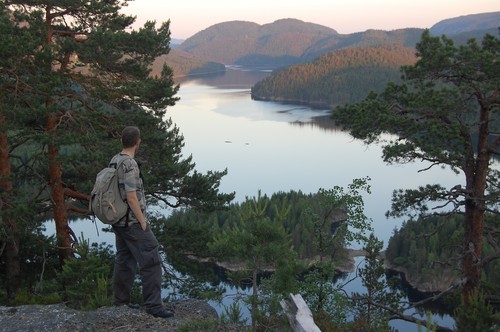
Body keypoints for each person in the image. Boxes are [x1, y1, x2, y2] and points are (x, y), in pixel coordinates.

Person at [110, 126, 173, 318]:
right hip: (132, 222)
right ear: (138, 142)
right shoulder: (130, 164)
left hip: (119, 221)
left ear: (122, 141)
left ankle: (121, 302)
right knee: (151, 258)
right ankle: (154, 306)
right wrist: (142, 221)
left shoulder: (114, 160)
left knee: (124, 259)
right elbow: (131, 196)